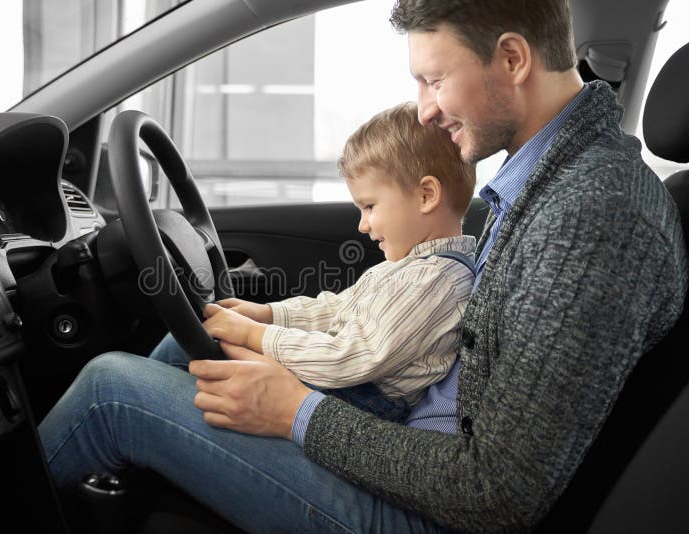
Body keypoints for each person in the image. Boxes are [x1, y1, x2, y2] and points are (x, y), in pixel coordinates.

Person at [38, 0, 688, 531]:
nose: (426, 108)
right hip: (414, 462)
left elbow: (497, 493)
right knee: (193, 348)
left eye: (434, 79)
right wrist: (271, 331)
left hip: (420, 516)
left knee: (109, 390)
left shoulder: (593, 214)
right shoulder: (557, 184)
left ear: (513, 58)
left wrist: (295, 411)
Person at [151, 102, 477, 422]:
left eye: (370, 207)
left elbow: (350, 357)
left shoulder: (436, 282)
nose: (362, 225)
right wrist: (268, 314)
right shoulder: (410, 268)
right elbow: (335, 310)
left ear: (425, 196)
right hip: (337, 383)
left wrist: (254, 335)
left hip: (353, 401)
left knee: (197, 348)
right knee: (191, 341)